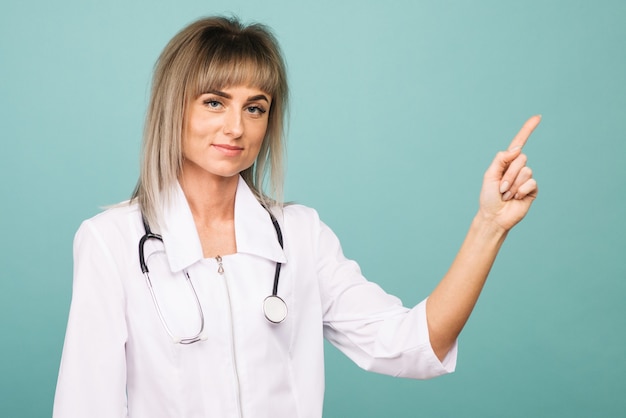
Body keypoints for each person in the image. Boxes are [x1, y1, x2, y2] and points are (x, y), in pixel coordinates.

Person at [53, 16, 540, 418]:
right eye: (214, 102)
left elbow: (412, 345)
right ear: (172, 108)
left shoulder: (301, 236)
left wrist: (489, 226)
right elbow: (85, 405)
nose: (235, 127)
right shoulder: (111, 241)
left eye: (256, 108)